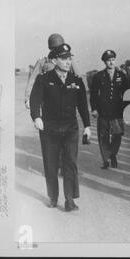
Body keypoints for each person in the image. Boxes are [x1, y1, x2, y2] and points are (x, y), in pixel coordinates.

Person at [30, 43, 91, 211]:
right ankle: (53, 196)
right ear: (55, 60)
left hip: (70, 128)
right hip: (49, 128)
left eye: (69, 58)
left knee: (70, 162)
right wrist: (36, 117)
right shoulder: (44, 79)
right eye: (64, 59)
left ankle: (70, 199)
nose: (68, 62)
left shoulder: (76, 80)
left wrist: (87, 125)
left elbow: (83, 105)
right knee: (51, 163)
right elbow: (35, 99)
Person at [90, 50, 128, 169]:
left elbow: (127, 94)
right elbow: (94, 94)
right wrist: (94, 109)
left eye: (113, 60)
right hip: (103, 110)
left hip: (117, 111)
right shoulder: (98, 76)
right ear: (104, 62)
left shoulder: (121, 76)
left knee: (117, 135)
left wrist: (128, 109)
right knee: (103, 135)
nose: (111, 62)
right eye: (108, 60)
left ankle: (113, 154)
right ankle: (105, 159)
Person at [25, 33, 79, 109]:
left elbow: (76, 79)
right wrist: (28, 98)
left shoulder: (69, 61)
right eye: (54, 49)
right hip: (48, 100)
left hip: (66, 100)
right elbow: (33, 80)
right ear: (51, 49)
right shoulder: (43, 62)